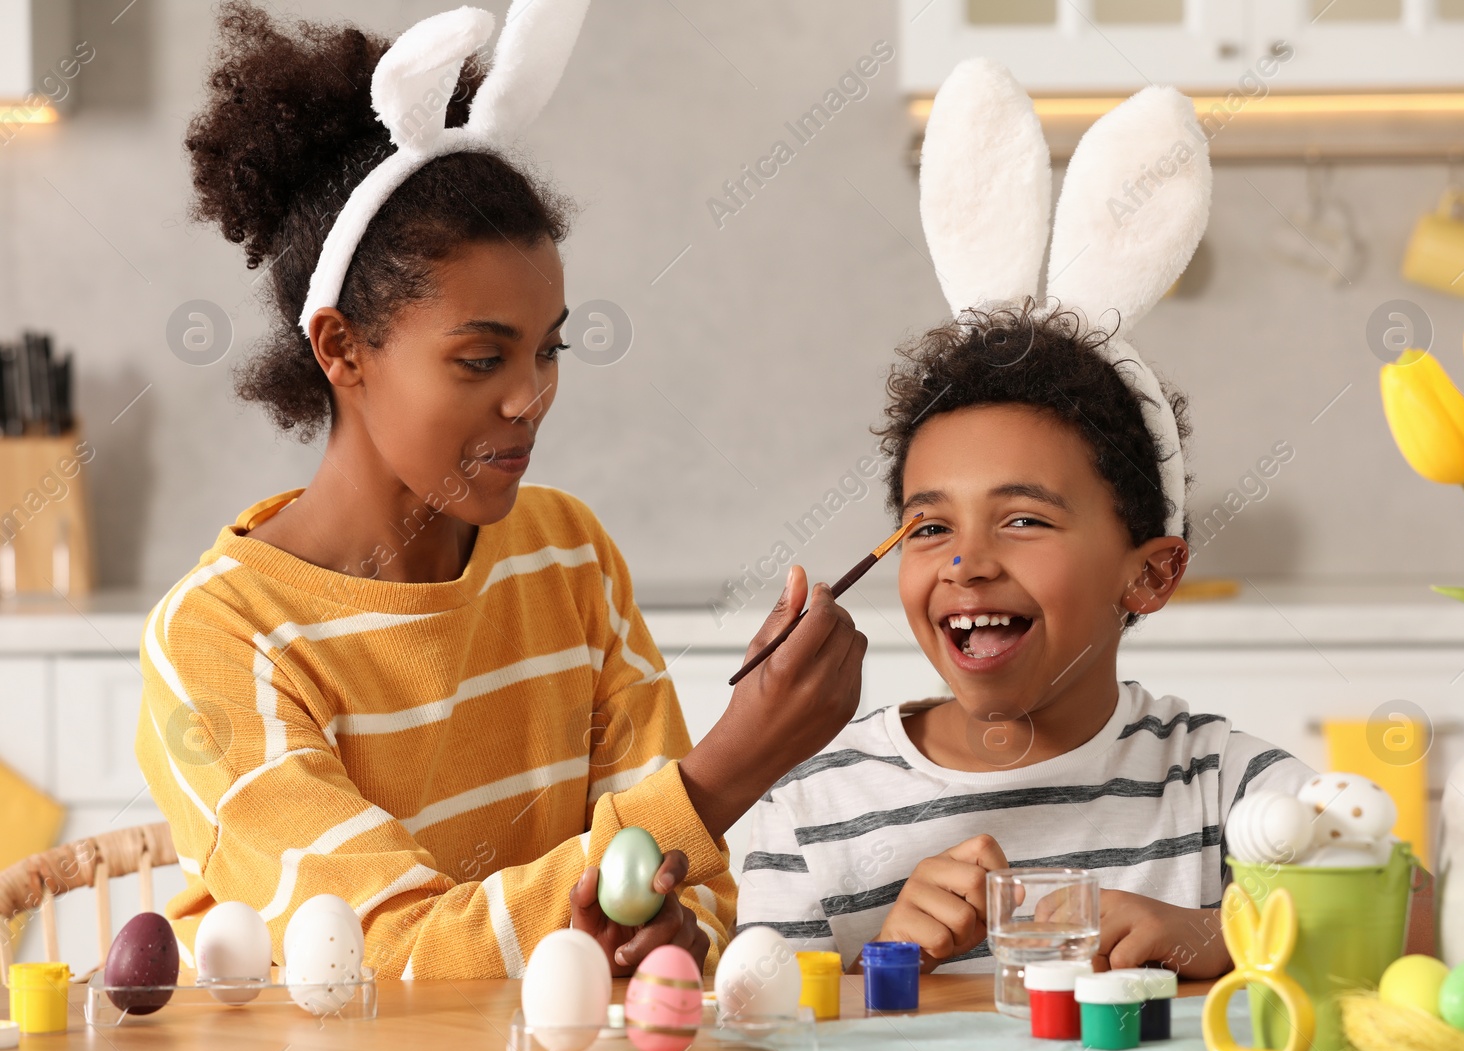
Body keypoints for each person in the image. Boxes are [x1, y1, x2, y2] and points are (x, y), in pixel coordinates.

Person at [135, 1, 866, 980]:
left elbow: (687, 892)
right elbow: (380, 958)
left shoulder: (567, 552)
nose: (532, 397)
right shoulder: (218, 641)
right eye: (481, 358)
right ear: (341, 348)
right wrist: (728, 768)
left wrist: (666, 930)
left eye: (547, 348)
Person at [735, 63, 1314, 977]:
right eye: (928, 528)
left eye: (1024, 521)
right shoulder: (810, 811)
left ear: (1152, 573)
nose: (965, 562)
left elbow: (1414, 915)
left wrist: (1212, 937)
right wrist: (881, 958)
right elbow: (753, 1026)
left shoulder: (1219, 786)